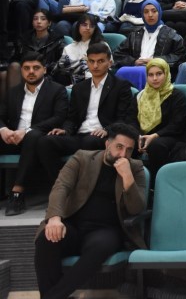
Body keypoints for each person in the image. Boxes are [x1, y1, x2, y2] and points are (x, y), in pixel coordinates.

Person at [34, 123, 146, 299]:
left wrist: (128, 178)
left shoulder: (135, 168)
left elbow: (136, 208)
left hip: (106, 230)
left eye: (129, 150)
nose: (123, 154)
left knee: (102, 245)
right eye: (119, 147)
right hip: (74, 224)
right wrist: (54, 218)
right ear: (107, 144)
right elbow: (61, 187)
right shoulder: (82, 158)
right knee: (46, 239)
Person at [37, 43, 138, 183]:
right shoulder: (79, 88)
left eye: (100, 61)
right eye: (91, 61)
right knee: (45, 141)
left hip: (102, 136)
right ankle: (61, 183)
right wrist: (65, 130)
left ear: (110, 62)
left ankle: (84, 186)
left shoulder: (121, 86)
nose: (95, 66)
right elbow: (72, 118)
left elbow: (123, 118)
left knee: (91, 141)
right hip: (79, 135)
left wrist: (107, 130)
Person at [0, 53, 68, 215]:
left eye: (36, 68)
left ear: (44, 70)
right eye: (27, 68)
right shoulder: (13, 92)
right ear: (22, 71)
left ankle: (18, 191)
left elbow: (59, 117)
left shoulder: (56, 90)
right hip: (13, 137)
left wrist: (27, 131)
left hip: (38, 138)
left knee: (34, 136)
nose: (31, 71)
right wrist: (4, 130)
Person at [113, 0, 185, 89]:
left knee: (144, 72)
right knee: (121, 71)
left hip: (158, 71)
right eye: (146, 12)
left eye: (154, 11)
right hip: (136, 67)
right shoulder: (135, 34)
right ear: (142, 15)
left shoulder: (171, 34)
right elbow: (118, 54)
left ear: (159, 13)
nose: (150, 15)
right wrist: (133, 61)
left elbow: (179, 55)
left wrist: (155, 61)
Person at [136, 58, 186, 179]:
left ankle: (157, 184)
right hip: (143, 136)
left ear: (166, 73)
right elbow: (131, 119)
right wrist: (137, 136)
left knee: (156, 145)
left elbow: (178, 124)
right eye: (151, 75)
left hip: (170, 136)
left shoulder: (176, 95)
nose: (154, 78)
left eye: (159, 74)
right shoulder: (140, 96)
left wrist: (154, 135)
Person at [52, 13, 106, 86]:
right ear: (78, 27)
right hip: (68, 82)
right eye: (84, 25)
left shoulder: (102, 46)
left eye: (91, 26)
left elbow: (107, 67)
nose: (88, 28)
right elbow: (60, 68)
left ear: (95, 28)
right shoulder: (68, 48)